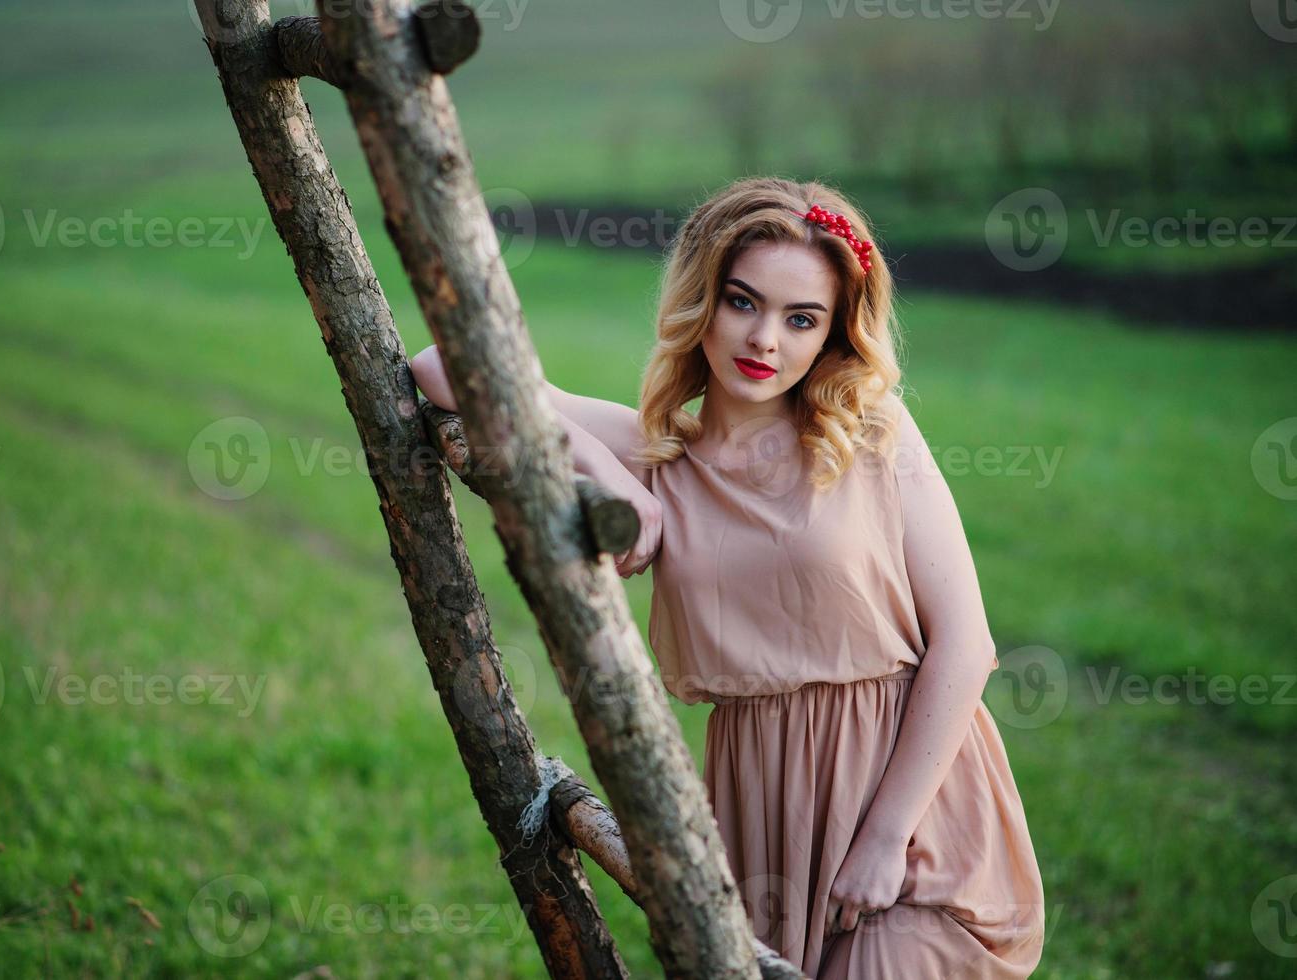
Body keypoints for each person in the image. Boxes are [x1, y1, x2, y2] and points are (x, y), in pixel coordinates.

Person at [409, 176, 1044, 978]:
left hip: (912, 806)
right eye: (742, 302)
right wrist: (607, 467)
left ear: (832, 336)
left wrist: (887, 836)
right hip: (759, 803)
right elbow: (442, 363)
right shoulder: (663, 454)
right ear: (701, 300)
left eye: (801, 318)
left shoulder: (872, 431)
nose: (764, 339)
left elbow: (967, 643)